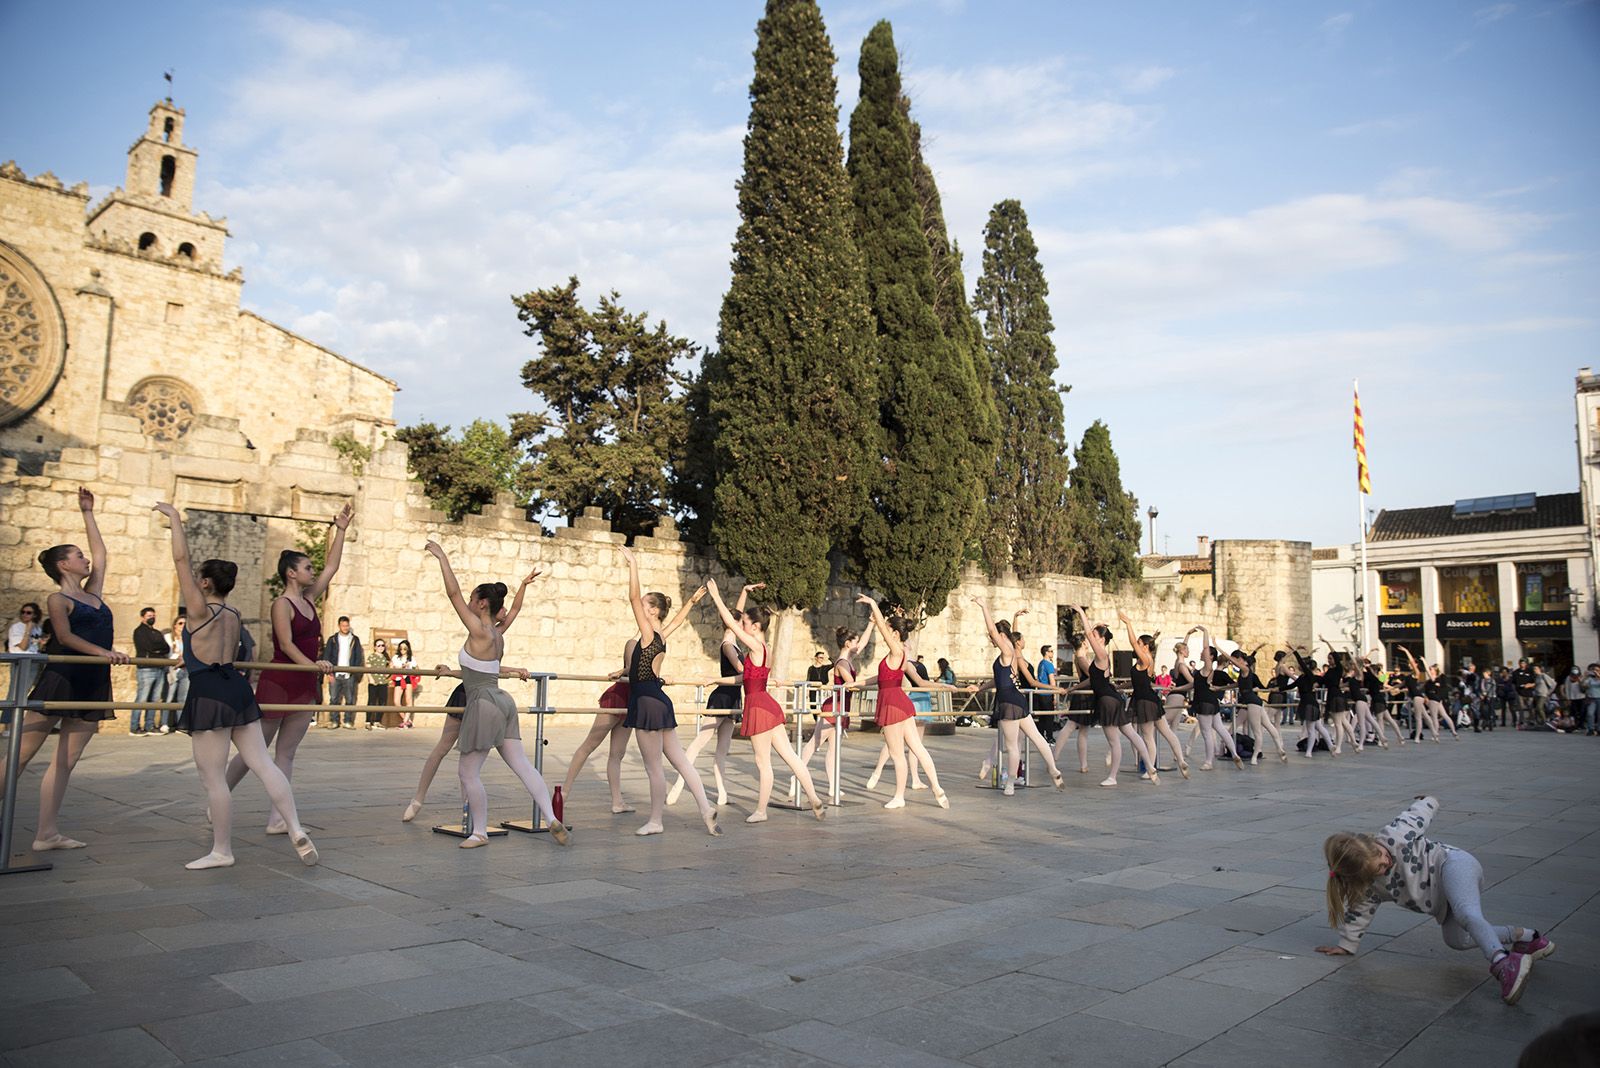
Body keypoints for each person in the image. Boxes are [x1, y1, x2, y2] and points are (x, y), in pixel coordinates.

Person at [152, 503, 319, 870]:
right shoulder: (233, 614)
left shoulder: (199, 611)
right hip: (237, 687)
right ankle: (293, 827)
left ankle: (222, 850)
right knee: (264, 764)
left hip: (209, 690)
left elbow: (180, 559)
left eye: (198, 578)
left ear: (205, 583)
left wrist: (176, 519)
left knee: (214, 779)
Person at [1318, 795, 1554, 1005]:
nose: (1386, 862)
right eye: (1378, 868)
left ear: (1372, 843)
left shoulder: (1395, 836)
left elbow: (1417, 814)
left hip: (1453, 865)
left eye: (1380, 855)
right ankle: (1527, 938)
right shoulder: (1371, 888)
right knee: (1457, 940)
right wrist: (1346, 945)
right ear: (1363, 877)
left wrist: (1428, 800)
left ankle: (1503, 963)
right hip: (1443, 902)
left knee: (1467, 913)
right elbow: (1359, 912)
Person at [2, 489, 127, 853]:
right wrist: (105, 652)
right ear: (63, 565)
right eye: (78, 556)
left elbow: (101, 555)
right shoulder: (57, 599)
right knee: (20, 756)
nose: (85, 560)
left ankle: (46, 833)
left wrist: (88, 512)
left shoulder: (94, 593)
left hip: (92, 682)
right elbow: (66, 635)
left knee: (66, 760)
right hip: (61, 679)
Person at [421, 540, 568, 848]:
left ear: (481, 604)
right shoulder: (498, 635)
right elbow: (514, 610)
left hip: (483, 704)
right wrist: (523, 585)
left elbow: (452, 594)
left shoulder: (478, 630)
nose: (468, 602)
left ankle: (480, 832)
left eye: (473, 599)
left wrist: (442, 557)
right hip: (503, 701)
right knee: (522, 765)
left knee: (468, 772)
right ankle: (550, 816)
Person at [222, 504, 350, 833]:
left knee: (287, 753)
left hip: (303, 683)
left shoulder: (309, 599)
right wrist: (315, 666)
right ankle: (218, 798)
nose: (312, 571)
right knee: (255, 751)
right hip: (280, 680)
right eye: (307, 567)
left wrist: (341, 530)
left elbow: (332, 567)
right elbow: (287, 644)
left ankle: (278, 819)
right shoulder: (282, 604)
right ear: (291, 573)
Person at [402, 568, 540, 822]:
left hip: (484, 699)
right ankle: (418, 798)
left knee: (468, 762)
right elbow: (475, 669)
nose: (505, 612)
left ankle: (468, 813)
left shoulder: (495, 633)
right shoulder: (480, 630)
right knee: (444, 748)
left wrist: (523, 585)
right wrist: (450, 671)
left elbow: (513, 615)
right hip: (466, 694)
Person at [618, 546, 720, 837]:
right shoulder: (661, 635)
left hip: (646, 701)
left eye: (646, 605)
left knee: (654, 767)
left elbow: (633, 597)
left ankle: (656, 821)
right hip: (660, 699)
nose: (640, 607)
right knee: (680, 760)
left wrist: (633, 564)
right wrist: (692, 601)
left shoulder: (648, 633)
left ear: (653, 610)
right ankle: (705, 808)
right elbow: (677, 620)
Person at [704, 579, 826, 823]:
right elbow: (746, 678)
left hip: (759, 707)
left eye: (746, 623)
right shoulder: (764, 649)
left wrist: (716, 596)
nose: (742, 626)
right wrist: (715, 679)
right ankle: (814, 798)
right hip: (766, 704)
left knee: (763, 762)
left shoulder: (757, 646)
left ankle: (761, 811)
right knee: (790, 756)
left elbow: (731, 624)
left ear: (756, 626)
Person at [671, 583, 764, 808]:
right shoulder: (728, 646)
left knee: (723, 749)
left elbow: (735, 614)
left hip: (733, 697)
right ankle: (678, 785)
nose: (743, 625)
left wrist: (744, 591)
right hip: (722, 697)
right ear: (732, 624)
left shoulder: (735, 643)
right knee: (700, 742)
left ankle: (722, 792)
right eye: (739, 622)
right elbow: (742, 672)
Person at [854, 596, 949, 811]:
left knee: (897, 754)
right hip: (901, 704)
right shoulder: (902, 656)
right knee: (917, 748)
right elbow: (914, 681)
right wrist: (855, 683)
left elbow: (881, 626)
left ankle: (899, 797)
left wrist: (873, 604)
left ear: (895, 634)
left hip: (892, 705)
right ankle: (936, 788)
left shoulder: (897, 652)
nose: (885, 634)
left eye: (889, 630)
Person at [970, 599, 1065, 796]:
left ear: (1001, 636)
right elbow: (998, 680)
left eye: (993, 637)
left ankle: (1011, 784)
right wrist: (980, 688)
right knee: (1036, 738)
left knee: (1012, 746)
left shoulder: (1006, 650)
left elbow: (993, 631)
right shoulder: (1011, 652)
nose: (991, 640)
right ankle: (1053, 768)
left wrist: (984, 607)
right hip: (1017, 699)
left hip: (1008, 703)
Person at [558, 642, 637, 815]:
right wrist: (622, 671)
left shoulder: (654, 643)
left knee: (618, 753)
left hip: (632, 700)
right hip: (619, 696)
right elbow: (632, 668)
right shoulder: (634, 642)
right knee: (589, 745)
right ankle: (564, 793)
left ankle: (617, 802)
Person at [801, 624, 867, 799]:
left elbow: (862, 644)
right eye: (855, 642)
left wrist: (872, 624)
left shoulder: (848, 658)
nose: (858, 645)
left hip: (841, 708)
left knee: (833, 749)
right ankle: (797, 775)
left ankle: (832, 786)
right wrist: (869, 682)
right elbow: (850, 682)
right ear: (848, 644)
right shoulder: (842, 663)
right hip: (834, 708)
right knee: (814, 743)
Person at [1186, 626, 1242, 772]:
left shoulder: (1207, 669)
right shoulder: (1202, 671)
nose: (1201, 653)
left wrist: (1205, 632)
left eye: (1204, 653)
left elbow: (1206, 647)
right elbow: (1193, 685)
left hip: (1205, 703)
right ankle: (1234, 753)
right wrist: (1176, 689)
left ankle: (1208, 762)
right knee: (1220, 729)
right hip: (1211, 702)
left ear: (1210, 657)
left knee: (1206, 733)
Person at [1230, 647, 1288, 765]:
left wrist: (1219, 648)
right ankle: (1279, 748)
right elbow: (1236, 684)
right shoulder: (1243, 672)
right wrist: (1219, 688)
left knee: (1257, 731)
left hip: (1252, 702)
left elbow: (1236, 663)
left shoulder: (1245, 669)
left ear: (1240, 659)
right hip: (1255, 702)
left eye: (1234, 659)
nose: (1233, 662)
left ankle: (1255, 756)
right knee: (1268, 726)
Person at [131, 606, 172, 736]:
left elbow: (166, 648)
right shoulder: (139, 632)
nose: (152, 618)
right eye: (149, 616)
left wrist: (157, 649)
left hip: (159, 668)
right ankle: (134, 727)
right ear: (143, 617)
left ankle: (150, 725)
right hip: (146, 669)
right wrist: (157, 649)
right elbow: (148, 647)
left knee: (155, 699)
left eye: (153, 616)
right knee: (142, 698)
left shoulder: (156, 632)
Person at [321, 616, 363, 729]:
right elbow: (327, 656)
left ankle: (348, 721)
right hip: (335, 673)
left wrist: (355, 673)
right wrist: (329, 673)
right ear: (339, 626)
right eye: (343, 625)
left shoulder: (354, 639)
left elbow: (358, 657)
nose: (345, 628)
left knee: (349, 699)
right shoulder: (332, 640)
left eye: (347, 625)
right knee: (334, 698)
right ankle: (334, 721)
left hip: (349, 674)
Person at [167, 614, 190, 736]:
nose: (183, 626)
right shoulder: (168, 638)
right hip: (173, 670)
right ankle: (165, 723)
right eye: (180, 623)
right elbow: (167, 653)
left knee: (183, 698)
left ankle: (181, 724)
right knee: (169, 697)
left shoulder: (189, 639)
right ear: (175, 625)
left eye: (185, 623)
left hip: (185, 671)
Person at [391, 639, 419, 727]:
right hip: (399, 678)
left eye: (405, 648)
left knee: (408, 700)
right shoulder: (395, 657)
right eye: (401, 648)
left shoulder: (411, 659)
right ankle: (407, 720)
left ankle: (405, 721)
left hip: (408, 678)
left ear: (408, 649)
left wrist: (410, 667)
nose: (402, 650)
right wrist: (400, 668)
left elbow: (417, 669)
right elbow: (391, 668)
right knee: (396, 701)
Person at [364, 637, 391, 729]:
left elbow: (387, 672)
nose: (381, 647)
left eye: (382, 645)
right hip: (374, 682)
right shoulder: (372, 656)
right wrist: (371, 679)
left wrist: (389, 672)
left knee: (382, 702)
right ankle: (368, 722)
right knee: (371, 702)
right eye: (379, 645)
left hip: (383, 682)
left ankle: (377, 721)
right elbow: (367, 668)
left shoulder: (385, 658)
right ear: (375, 647)